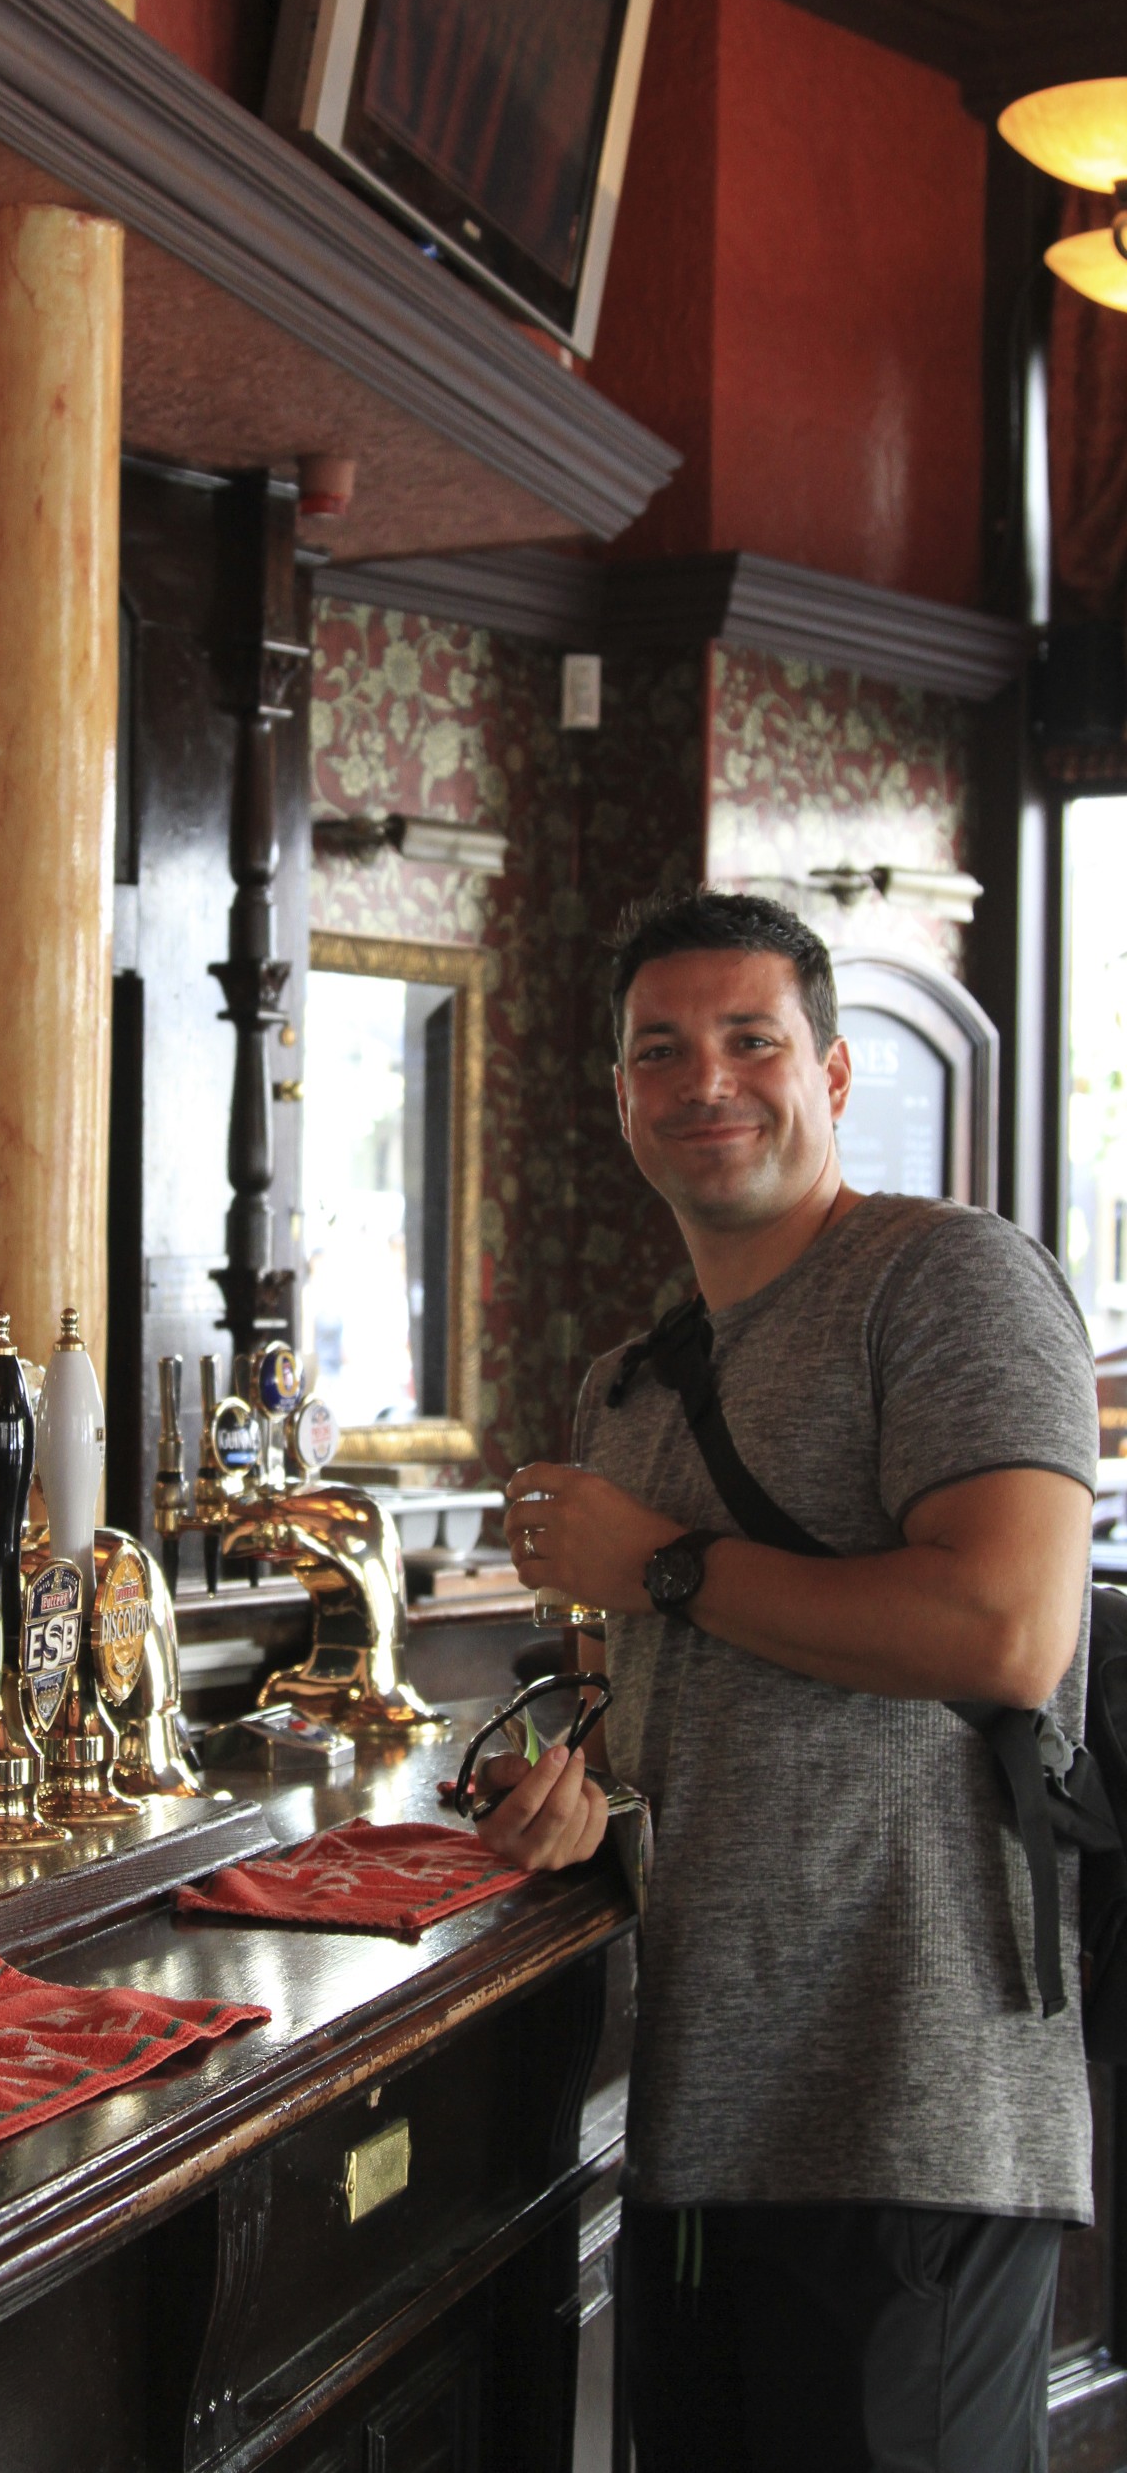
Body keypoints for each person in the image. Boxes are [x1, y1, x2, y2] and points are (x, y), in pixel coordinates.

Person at [483, 890, 1096, 2473]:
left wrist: (660, 1562)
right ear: (622, 1096)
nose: (707, 1082)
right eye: (660, 1051)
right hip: (697, 2122)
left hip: (913, 2112)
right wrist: (568, 1797)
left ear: (830, 1073)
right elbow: (656, 1718)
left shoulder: (948, 1279)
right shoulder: (627, 1386)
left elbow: (1006, 1631)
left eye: (751, 1040)